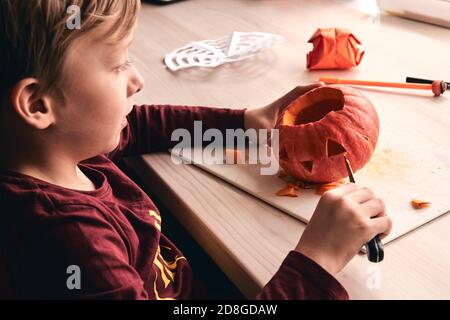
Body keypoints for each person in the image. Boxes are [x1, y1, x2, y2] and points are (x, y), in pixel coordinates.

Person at [0, 0, 392, 299]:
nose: (137, 81)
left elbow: (138, 126)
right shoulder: (74, 243)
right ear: (37, 105)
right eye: (118, 65)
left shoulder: (59, 146)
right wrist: (317, 259)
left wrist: (243, 121)